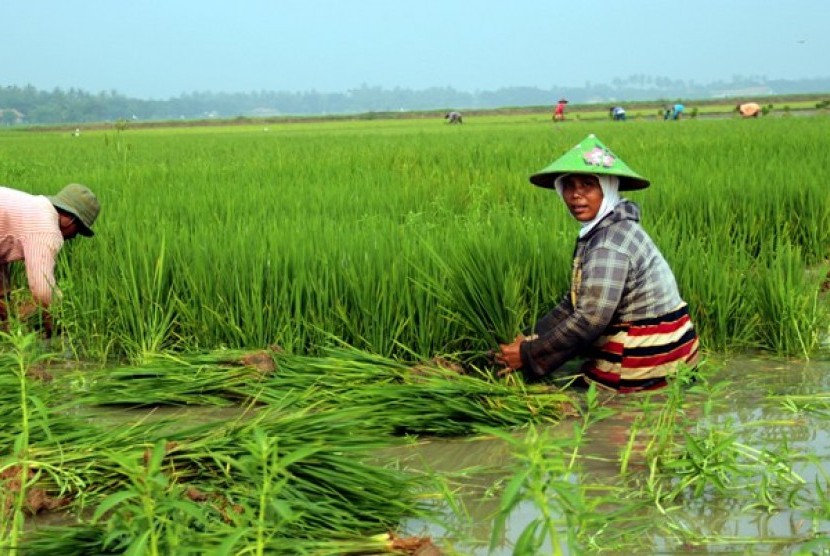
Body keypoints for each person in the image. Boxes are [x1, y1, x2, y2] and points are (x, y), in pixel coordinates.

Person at [494, 134, 699, 393]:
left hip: (648, 358)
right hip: (676, 349)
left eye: (587, 185)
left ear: (608, 187)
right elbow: (576, 301)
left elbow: (590, 319)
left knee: (585, 408)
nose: (576, 195)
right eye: (568, 186)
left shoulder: (608, 243)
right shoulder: (610, 225)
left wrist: (528, 354)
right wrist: (530, 336)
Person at [0, 183, 100, 336]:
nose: (74, 237)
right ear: (70, 219)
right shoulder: (46, 228)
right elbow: (42, 292)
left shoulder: (35, 206)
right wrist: (52, 324)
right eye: (78, 230)